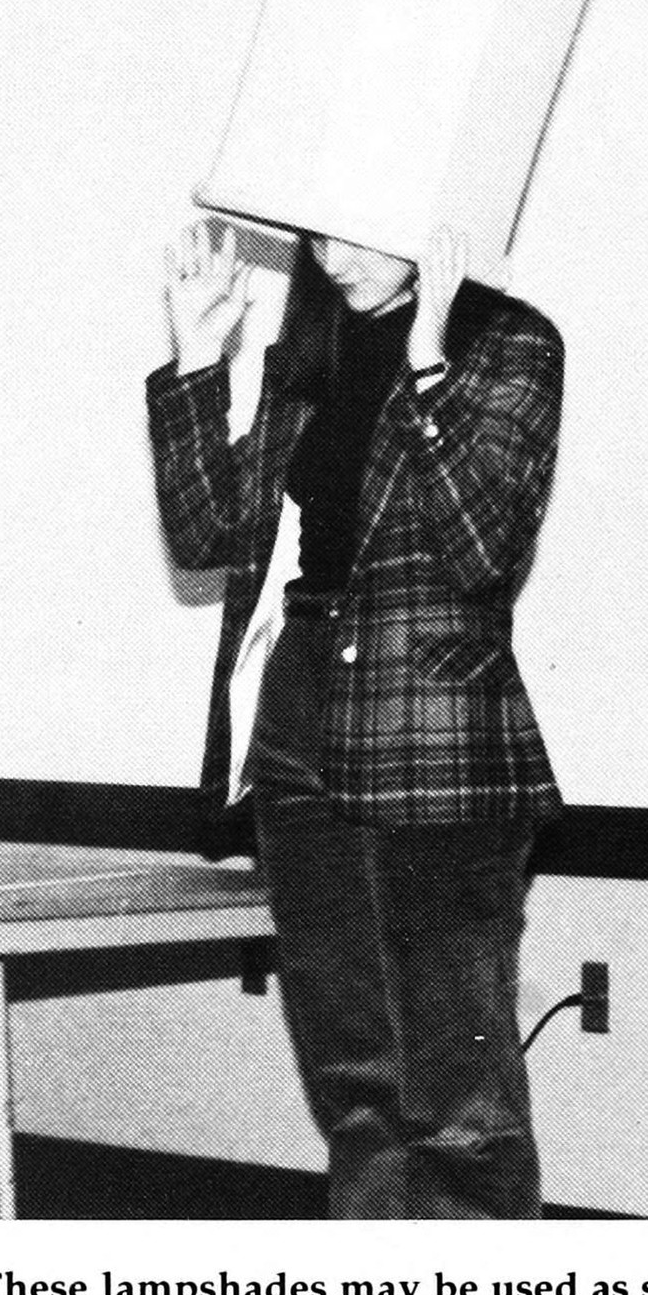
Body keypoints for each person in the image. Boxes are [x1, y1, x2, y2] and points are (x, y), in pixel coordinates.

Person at [146, 218, 564, 1219]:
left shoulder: (511, 343)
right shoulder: (312, 353)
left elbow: (479, 550)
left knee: (455, 1090)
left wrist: (429, 365)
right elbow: (209, 534)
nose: (333, 261)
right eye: (317, 237)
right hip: (297, 703)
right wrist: (197, 360)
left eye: (358, 235)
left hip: (434, 724)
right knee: (355, 1079)